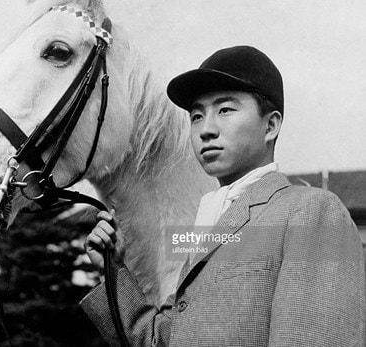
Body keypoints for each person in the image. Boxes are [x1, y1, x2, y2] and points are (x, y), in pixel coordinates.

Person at [79, 46, 366, 346]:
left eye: (225, 109)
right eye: (196, 116)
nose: (206, 129)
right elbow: (160, 341)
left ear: (270, 125)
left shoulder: (311, 211)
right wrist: (112, 273)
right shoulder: (207, 224)